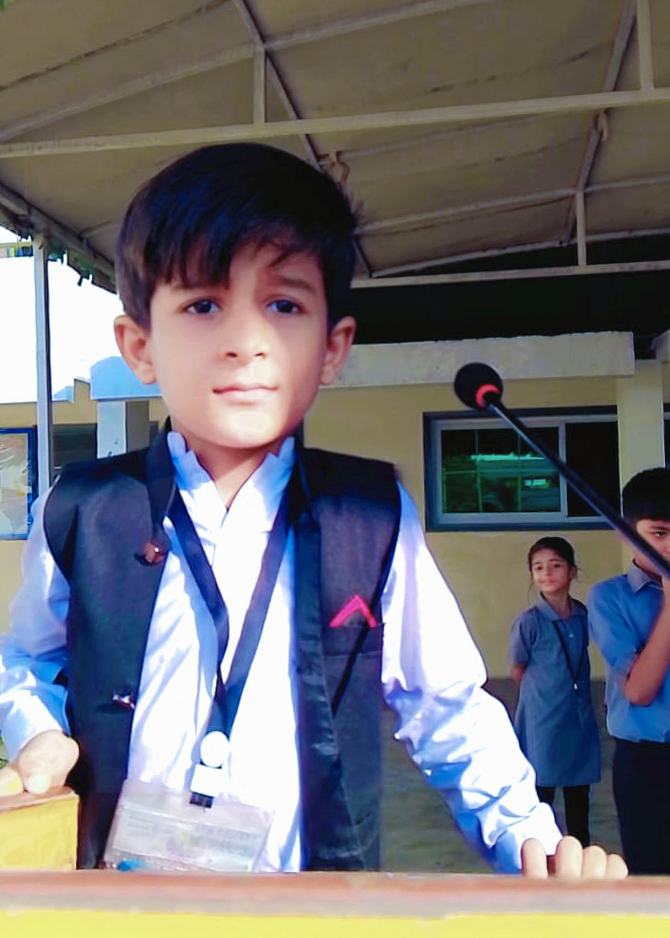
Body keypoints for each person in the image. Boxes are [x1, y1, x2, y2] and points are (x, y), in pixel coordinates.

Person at [0, 143, 625, 879]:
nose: (245, 342)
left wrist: (532, 840)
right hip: (122, 905)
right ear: (140, 345)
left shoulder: (369, 516)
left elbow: (446, 704)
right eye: (203, 305)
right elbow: (28, 658)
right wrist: (36, 729)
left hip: (311, 903)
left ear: (332, 348)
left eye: (283, 305)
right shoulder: (83, 509)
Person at [589, 467, 670, 874]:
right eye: (659, 533)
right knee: (652, 874)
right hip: (644, 760)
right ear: (627, 532)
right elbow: (639, 691)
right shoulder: (609, 598)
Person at [509, 537, 600, 848]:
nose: (546, 573)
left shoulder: (582, 615)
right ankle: (540, 854)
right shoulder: (529, 622)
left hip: (576, 714)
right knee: (540, 791)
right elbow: (517, 668)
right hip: (542, 718)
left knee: (578, 794)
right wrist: (543, 694)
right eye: (538, 568)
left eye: (555, 566)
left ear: (572, 571)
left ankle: (579, 852)